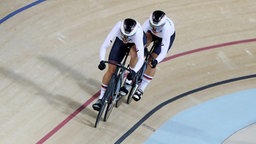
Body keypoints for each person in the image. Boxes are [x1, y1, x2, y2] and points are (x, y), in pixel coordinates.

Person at [92, 18, 146, 111]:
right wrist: (101, 60)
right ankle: (101, 99)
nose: (126, 37)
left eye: (128, 36)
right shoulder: (118, 26)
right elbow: (104, 45)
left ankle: (128, 83)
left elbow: (141, 57)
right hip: (119, 41)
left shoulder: (137, 34)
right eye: (124, 34)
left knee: (134, 54)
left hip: (134, 43)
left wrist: (133, 72)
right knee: (111, 69)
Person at [128, 10, 176, 101]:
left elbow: (163, 51)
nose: (154, 27)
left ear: (161, 25)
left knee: (152, 61)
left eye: (157, 26)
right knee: (138, 48)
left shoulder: (167, 29)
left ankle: (141, 89)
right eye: (153, 25)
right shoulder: (148, 23)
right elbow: (139, 37)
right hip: (151, 34)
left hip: (164, 39)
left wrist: (156, 61)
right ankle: (132, 71)